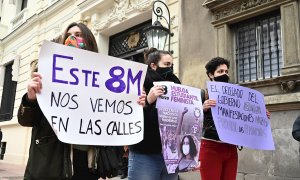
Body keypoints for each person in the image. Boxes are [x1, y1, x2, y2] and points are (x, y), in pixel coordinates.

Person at [18, 22, 146, 180]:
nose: (72, 38)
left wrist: (134, 101)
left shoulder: (103, 75)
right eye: (68, 35)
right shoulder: (47, 71)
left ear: (89, 40)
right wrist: (30, 98)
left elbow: (113, 113)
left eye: (78, 35)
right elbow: (26, 120)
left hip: (87, 161)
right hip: (51, 162)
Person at [199, 57, 271, 180]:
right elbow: (191, 118)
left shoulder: (236, 95)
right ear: (211, 75)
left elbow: (245, 115)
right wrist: (203, 108)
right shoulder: (203, 94)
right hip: (211, 147)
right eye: (220, 71)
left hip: (231, 148)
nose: (224, 74)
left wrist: (260, 115)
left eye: (226, 71)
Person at [128, 48, 180, 180]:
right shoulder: (138, 81)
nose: (170, 68)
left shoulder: (177, 84)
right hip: (145, 153)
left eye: (172, 65)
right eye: (167, 65)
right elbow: (128, 114)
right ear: (153, 65)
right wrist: (148, 100)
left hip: (171, 153)